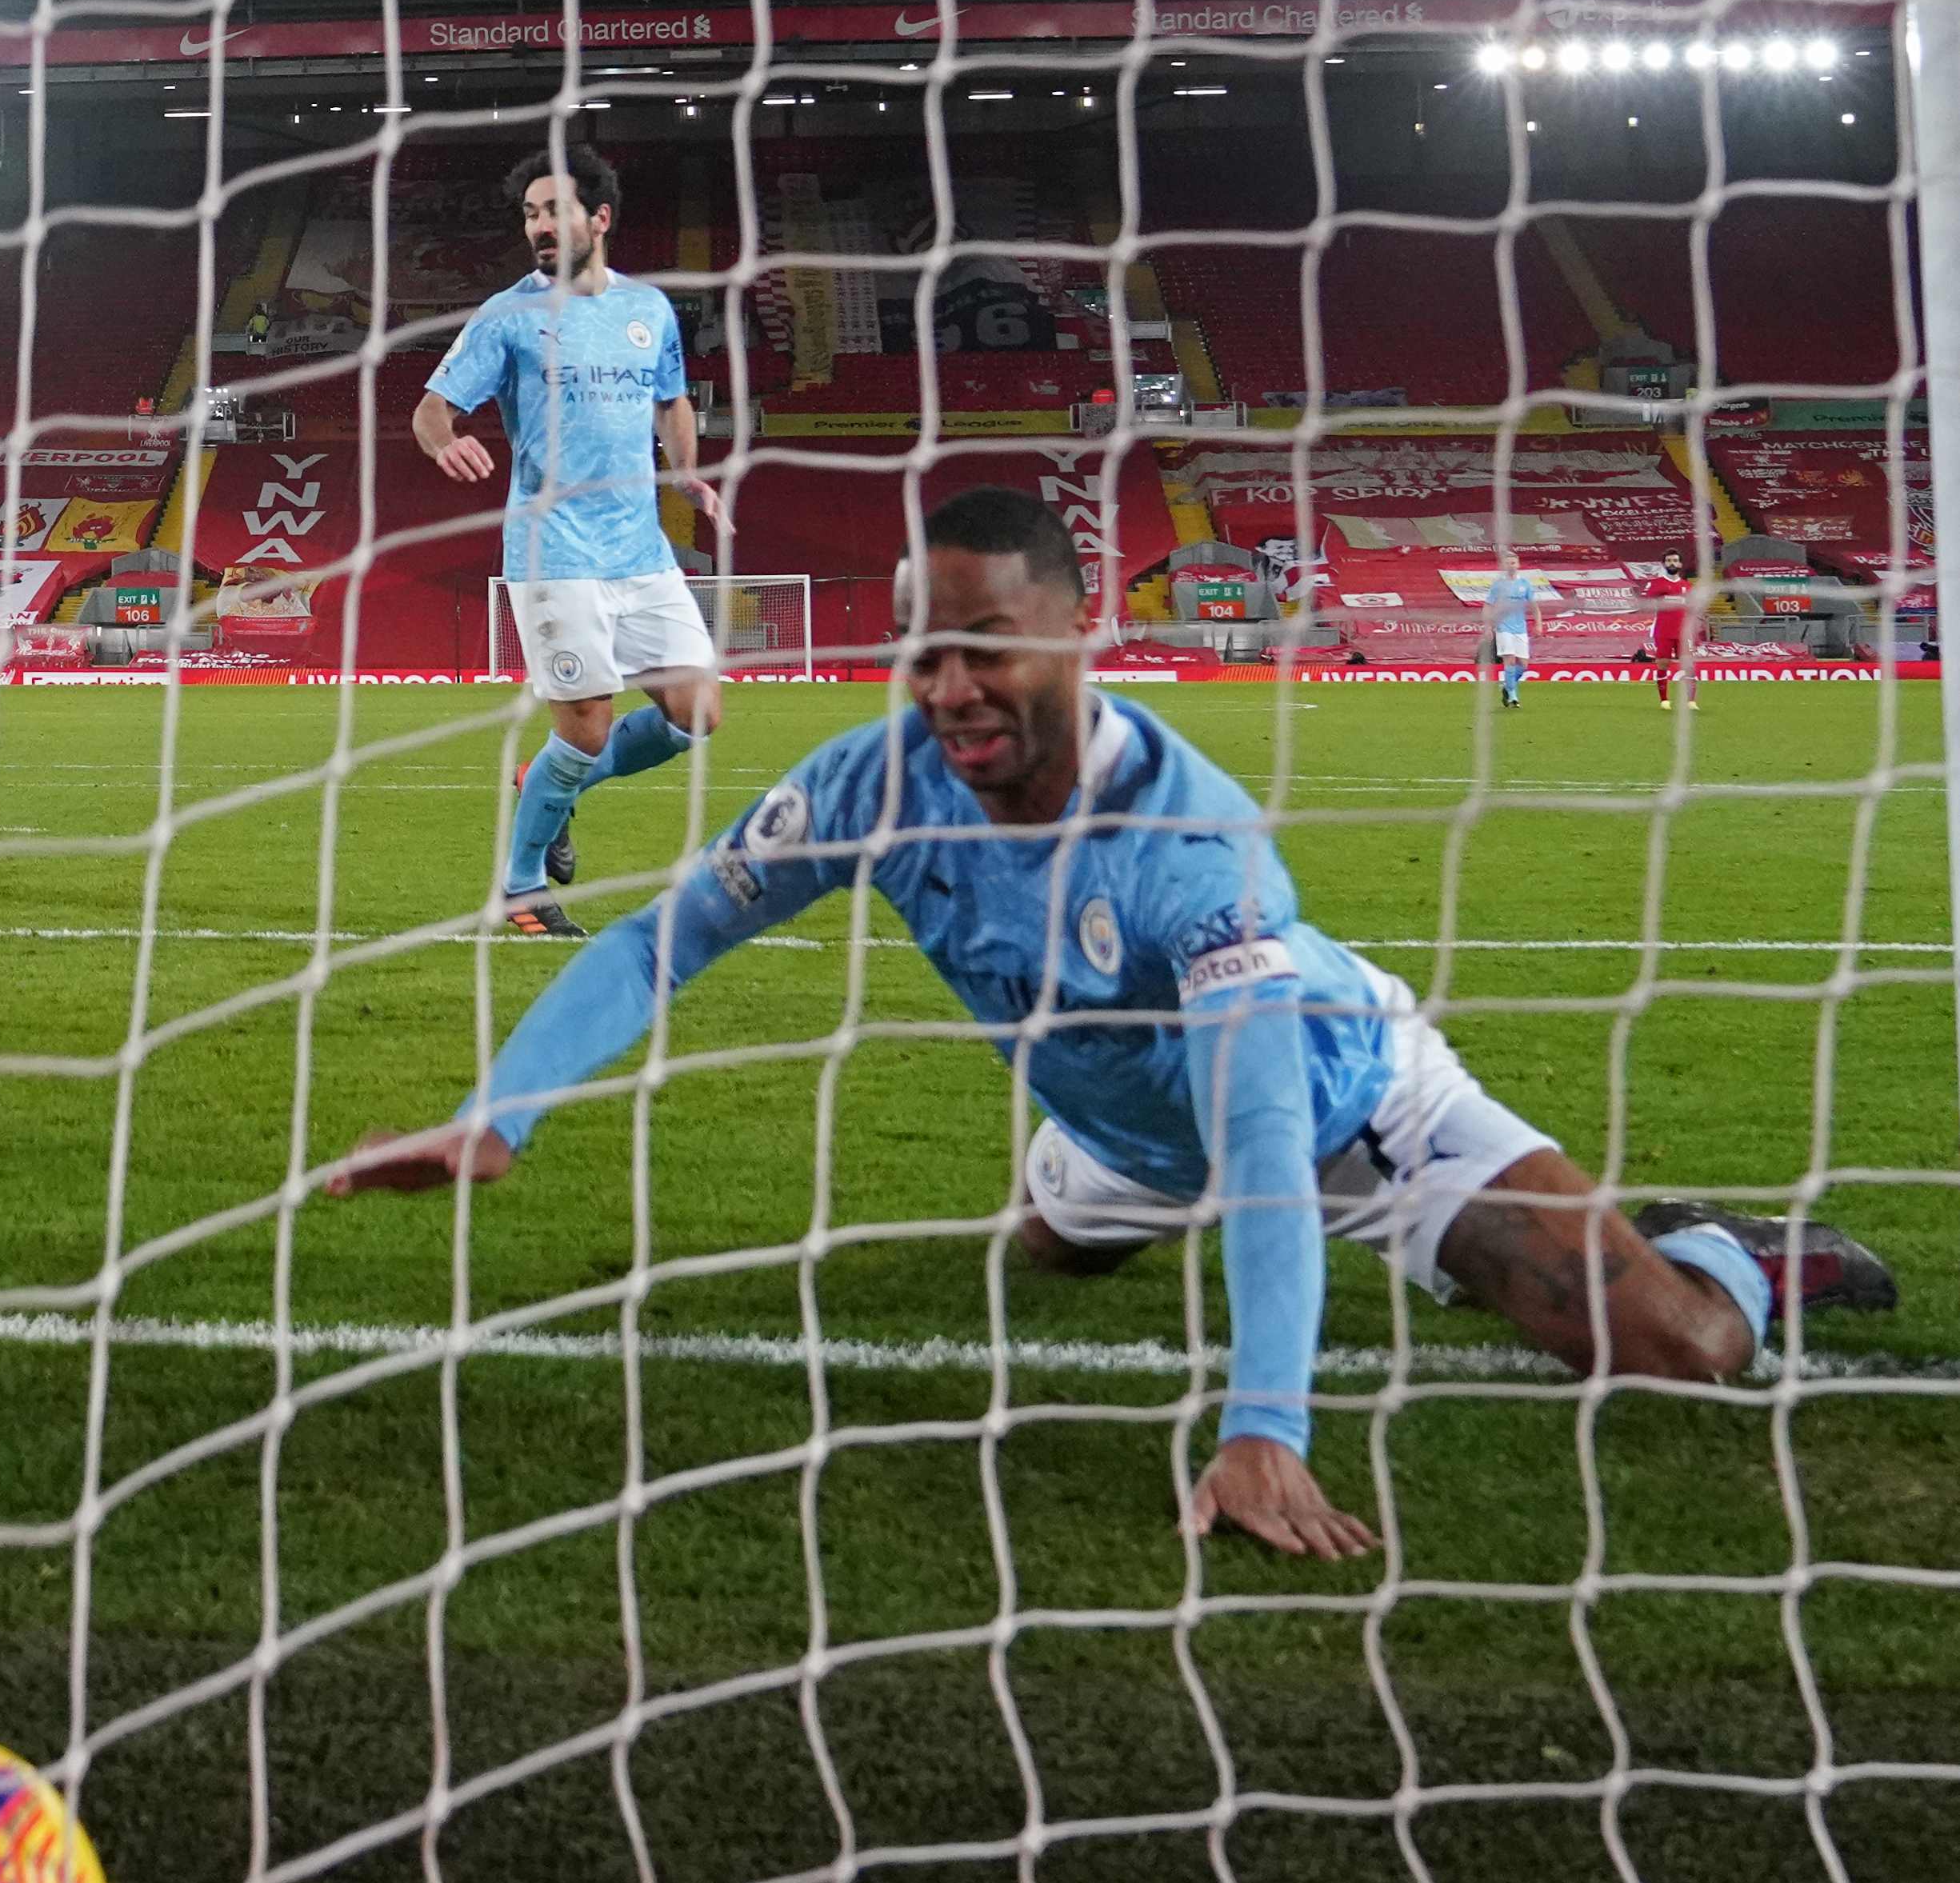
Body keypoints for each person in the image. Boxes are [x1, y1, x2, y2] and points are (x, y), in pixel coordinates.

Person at [330, 488, 1895, 1560]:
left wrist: (1264, 1422)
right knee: (1042, 1258)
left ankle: (1740, 1251)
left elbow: (1272, 1149)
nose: (950, 683)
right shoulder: (875, 783)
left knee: (1682, 1358)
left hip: (1355, 1119)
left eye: (988, 642)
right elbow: (674, 934)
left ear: (1080, 634)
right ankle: (1091, 1183)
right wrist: (503, 1108)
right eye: (924, 646)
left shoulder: (1185, 848)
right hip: (1117, 1134)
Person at [411, 146, 721, 938]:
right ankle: (521, 889)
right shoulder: (507, 315)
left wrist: (687, 472)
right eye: (531, 214)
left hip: (641, 550)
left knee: (698, 711)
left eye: (555, 211)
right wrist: (445, 441)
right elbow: (432, 407)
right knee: (584, 722)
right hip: (554, 549)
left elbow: (673, 401)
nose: (542, 226)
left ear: (601, 218)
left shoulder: (649, 309)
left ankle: (550, 785)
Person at [1638, 552, 1695, 712]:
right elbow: (1646, 601)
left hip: (1684, 631)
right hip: (1663, 630)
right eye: (1669, 560)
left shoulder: (1687, 586)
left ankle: (1691, 701)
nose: (1672, 563)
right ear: (1664, 564)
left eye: (1675, 561)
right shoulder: (1657, 583)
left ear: (1680, 565)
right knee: (1663, 664)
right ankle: (1664, 700)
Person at [1484, 558, 1537, 710]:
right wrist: (1488, 626)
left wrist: (1538, 623)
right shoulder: (1499, 585)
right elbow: (1488, 605)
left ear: (1518, 564)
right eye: (1507, 563)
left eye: (1513, 562)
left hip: (1520, 629)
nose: (1511, 565)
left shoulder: (1525, 584)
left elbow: (1534, 606)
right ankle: (1513, 696)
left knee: (1524, 665)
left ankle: (1507, 686)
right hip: (1503, 627)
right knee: (1510, 661)